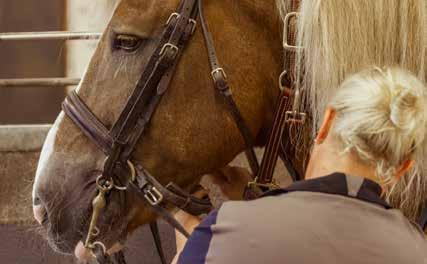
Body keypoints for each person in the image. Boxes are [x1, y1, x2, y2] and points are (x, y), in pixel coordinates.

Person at [173, 67, 427, 264]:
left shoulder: (224, 231)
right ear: (402, 168)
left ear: (327, 121)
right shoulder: (418, 251)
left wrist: (186, 226)